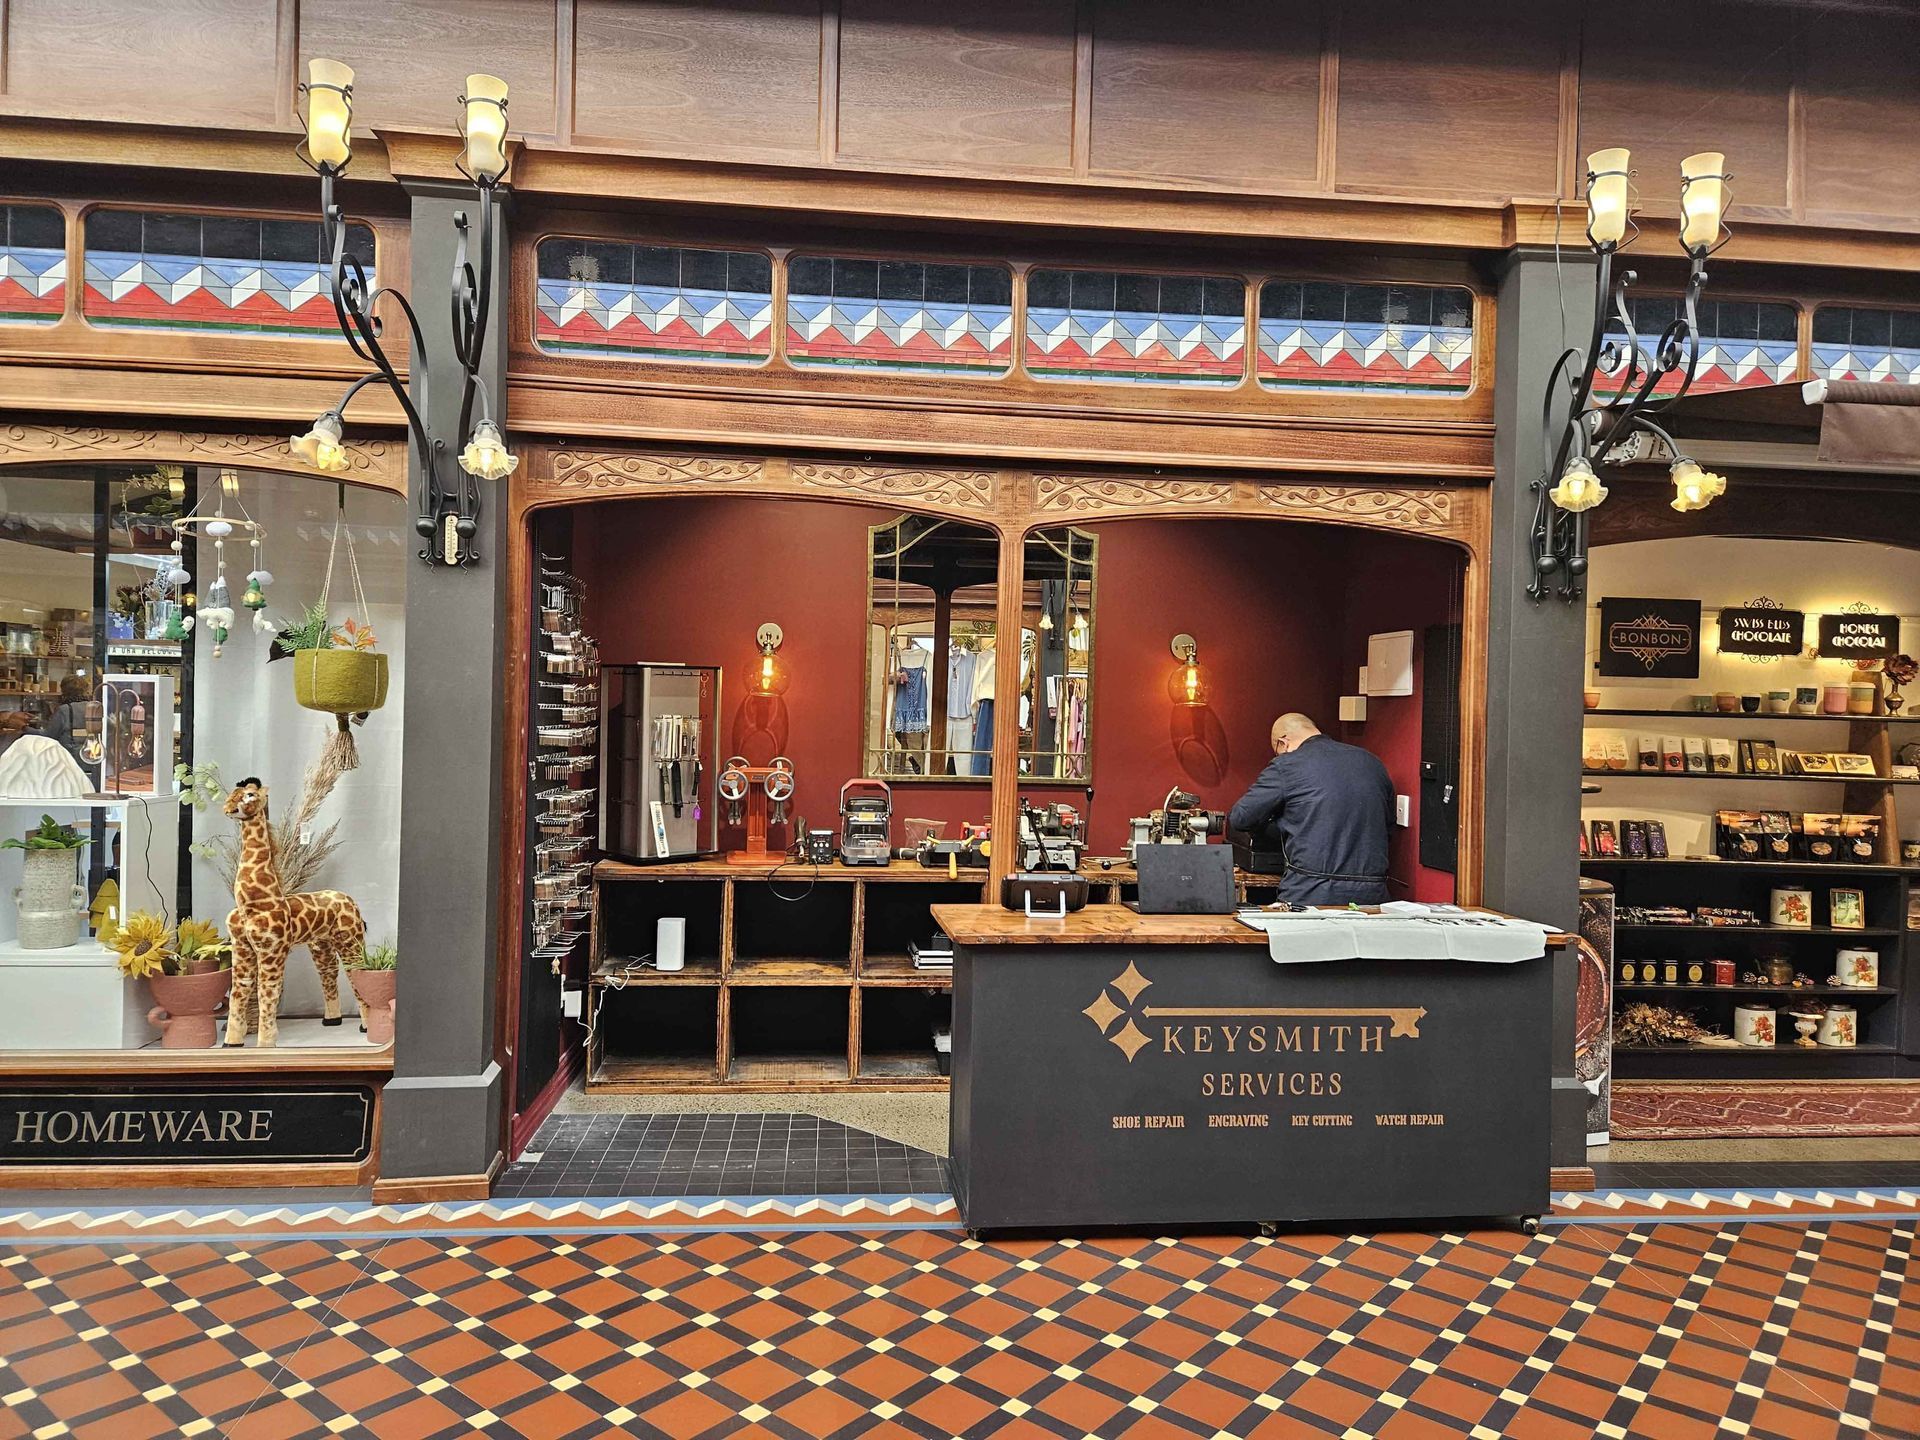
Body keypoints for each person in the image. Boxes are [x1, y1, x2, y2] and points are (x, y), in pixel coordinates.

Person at [1228, 712, 1394, 905]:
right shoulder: (1372, 762)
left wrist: (1278, 822)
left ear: (1283, 743)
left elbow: (1240, 817)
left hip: (1311, 892)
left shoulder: (1287, 765)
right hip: (1372, 896)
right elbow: (1386, 828)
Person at [40, 676, 92, 772]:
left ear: (64, 690)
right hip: (91, 758)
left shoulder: (64, 710)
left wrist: (24, 728)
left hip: (69, 760)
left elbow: (49, 735)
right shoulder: (93, 708)